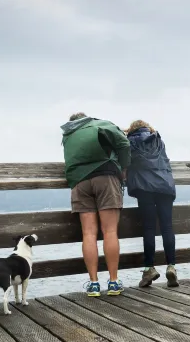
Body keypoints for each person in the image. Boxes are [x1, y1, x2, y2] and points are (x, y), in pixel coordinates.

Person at [61, 113, 131, 297]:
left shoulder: (68, 135)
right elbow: (124, 144)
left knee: (88, 233)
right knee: (110, 231)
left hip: (79, 182)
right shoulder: (100, 124)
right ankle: (113, 283)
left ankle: (93, 284)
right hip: (105, 177)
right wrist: (123, 168)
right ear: (86, 118)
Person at [125, 120, 178, 288]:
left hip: (144, 188)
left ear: (131, 130)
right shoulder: (158, 140)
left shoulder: (129, 142)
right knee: (167, 227)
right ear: (148, 129)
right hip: (164, 186)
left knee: (148, 228)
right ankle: (172, 266)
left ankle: (149, 269)